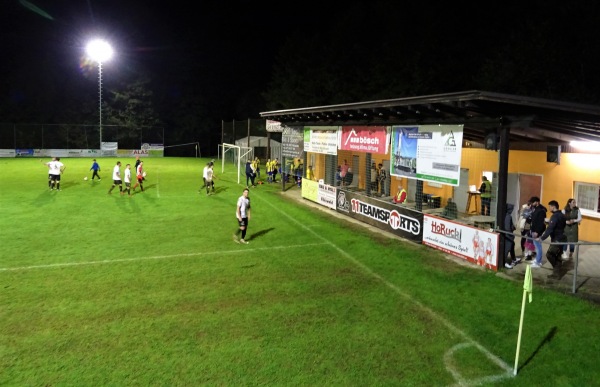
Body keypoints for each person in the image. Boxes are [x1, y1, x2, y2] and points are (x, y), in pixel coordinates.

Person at [537, 200, 567, 278]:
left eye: (550, 206)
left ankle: (557, 269)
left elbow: (550, 229)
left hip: (557, 239)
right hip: (562, 238)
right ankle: (557, 274)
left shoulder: (555, 216)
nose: (549, 208)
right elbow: (559, 226)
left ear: (553, 207)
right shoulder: (562, 215)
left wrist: (542, 238)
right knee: (557, 255)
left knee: (550, 254)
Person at [528, 196, 547, 268]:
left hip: (536, 231)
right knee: (536, 246)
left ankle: (538, 262)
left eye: (533, 202)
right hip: (533, 230)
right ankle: (537, 260)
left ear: (537, 202)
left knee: (538, 246)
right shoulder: (535, 209)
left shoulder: (541, 211)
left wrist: (537, 232)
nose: (532, 204)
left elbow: (541, 223)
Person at [502, 203, 520, 269]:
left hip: (507, 234)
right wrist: (511, 235)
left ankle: (513, 259)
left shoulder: (505, 215)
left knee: (512, 245)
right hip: (508, 235)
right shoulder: (508, 216)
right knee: (507, 248)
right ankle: (505, 262)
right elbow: (507, 228)